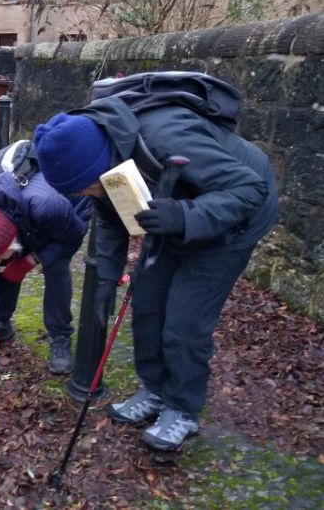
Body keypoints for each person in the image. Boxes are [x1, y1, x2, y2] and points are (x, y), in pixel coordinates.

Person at [33, 71, 277, 451]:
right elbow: (111, 213)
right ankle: (155, 390)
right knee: (146, 305)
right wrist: (107, 282)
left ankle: (182, 408)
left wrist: (183, 216)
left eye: (86, 186)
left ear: (102, 163)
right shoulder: (106, 157)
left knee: (183, 322)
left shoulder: (166, 135)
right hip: (174, 211)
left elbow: (250, 189)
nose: (86, 194)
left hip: (234, 221)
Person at [0, 170, 91, 376]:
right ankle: (1, 325)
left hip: (69, 214)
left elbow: (73, 238)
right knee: (3, 268)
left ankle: (60, 337)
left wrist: (31, 260)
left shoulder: (47, 208)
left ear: (12, 240)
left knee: (56, 266)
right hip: (23, 221)